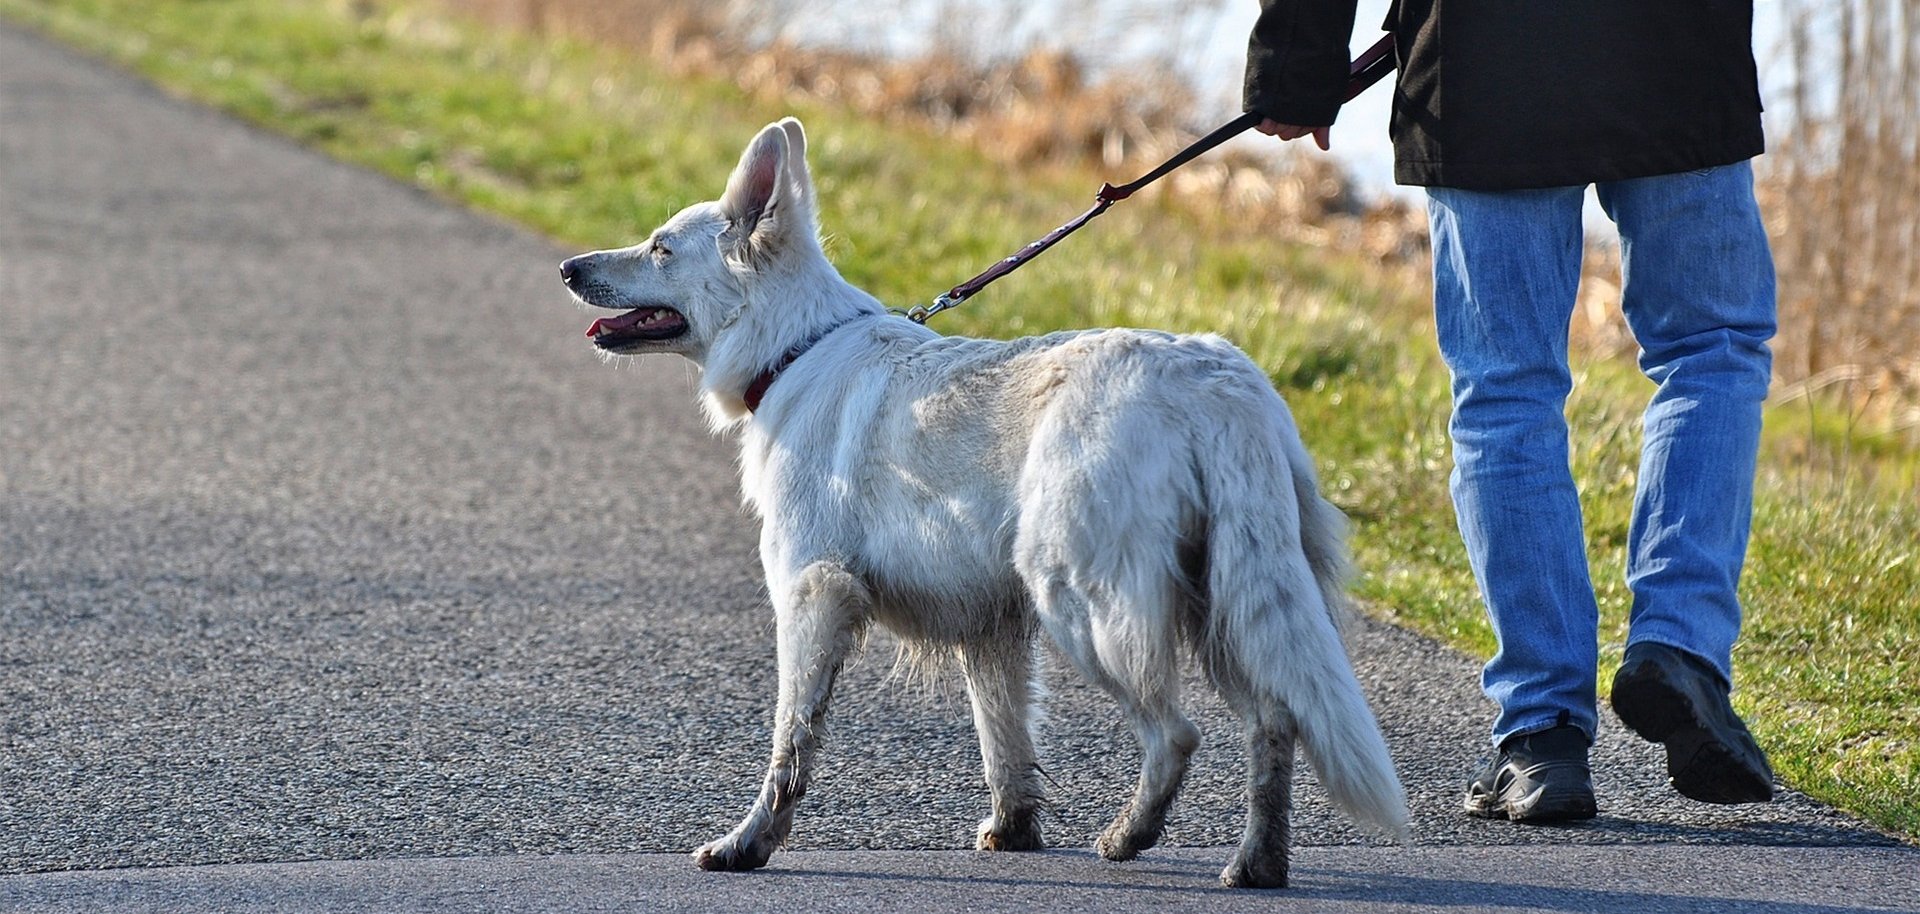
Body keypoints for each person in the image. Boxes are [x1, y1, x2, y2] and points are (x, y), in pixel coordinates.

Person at [1244, 0, 1778, 821]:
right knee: (1712, 350)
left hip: (1484, 61)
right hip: (1677, 47)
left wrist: (1295, 62)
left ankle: (1541, 736)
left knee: (1505, 390)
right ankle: (1679, 648)